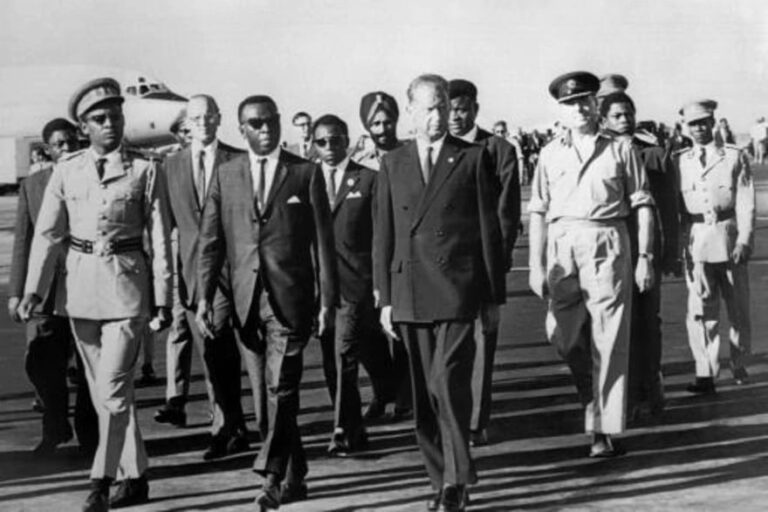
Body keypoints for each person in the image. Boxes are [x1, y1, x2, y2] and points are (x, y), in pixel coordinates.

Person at [18, 78, 173, 511]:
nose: (110, 124)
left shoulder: (146, 169)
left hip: (126, 290)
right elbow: (48, 235)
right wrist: (33, 291)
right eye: (100, 118)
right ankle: (135, 476)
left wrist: (163, 297)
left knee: (114, 390)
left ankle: (100, 482)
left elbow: (161, 238)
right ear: (83, 127)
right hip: (81, 293)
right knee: (106, 393)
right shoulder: (67, 170)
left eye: (116, 116)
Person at [196, 94, 337, 510]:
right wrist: (203, 296)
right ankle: (297, 472)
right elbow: (210, 241)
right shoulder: (226, 175)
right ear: (241, 129)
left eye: (270, 121)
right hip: (245, 300)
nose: (265, 129)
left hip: (290, 301)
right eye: (255, 123)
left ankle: (271, 478)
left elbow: (323, 244)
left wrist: (327, 300)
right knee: (267, 398)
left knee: (282, 387)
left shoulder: (305, 172)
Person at [374, 74, 506, 512]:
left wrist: (493, 297)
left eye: (443, 108)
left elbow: (489, 231)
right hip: (409, 290)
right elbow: (383, 233)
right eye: (428, 108)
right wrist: (384, 298)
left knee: (446, 382)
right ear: (411, 111)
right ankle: (440, 480)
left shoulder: (472, 157)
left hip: (458, 289)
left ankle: (456, 479)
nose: (437, 117)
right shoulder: (393, 162)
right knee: (424, 398)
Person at [528, 71, 655, 458]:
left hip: (608, 241)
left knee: (609, 338)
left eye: (585, 100)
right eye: (570, 103)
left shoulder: (621, 149)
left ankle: (602, 429)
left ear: (596, 104)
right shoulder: (549, 153)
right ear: (560, 110)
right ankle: (592, 397)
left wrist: (645, 257)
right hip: (562, 246)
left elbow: (642, 204)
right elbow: (538, 211)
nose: (579, 108)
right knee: (564, 336)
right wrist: (535, 264)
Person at [158, 94, 252, 459]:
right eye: (195, 118)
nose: (202, 123)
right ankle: (226, 427)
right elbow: (165, 227)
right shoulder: (171, 166)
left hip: (236, 270)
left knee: (242, 353)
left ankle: (239, 426)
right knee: (212, 354)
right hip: (193, 274)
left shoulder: (238, 160)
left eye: (208, 116)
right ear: (187, 123)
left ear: (218, 118)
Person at [8, 118, 98, 456]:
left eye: (72, 142)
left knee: (89, 366)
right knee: (42, 364)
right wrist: (17, 292)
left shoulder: (94, 178)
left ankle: (90, 434)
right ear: (48, 150)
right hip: (45, 293)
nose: (68, 148)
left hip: (87, 288)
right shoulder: (33, 185)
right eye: (60, 144)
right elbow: (24, 240)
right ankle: (55, 428)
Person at [447, 78, 520, 447]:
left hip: (481, 262)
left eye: (462, 109)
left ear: (475, 109)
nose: (454, 117)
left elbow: (507, 213)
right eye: (448, 110)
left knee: (481, 341)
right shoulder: (437, 149)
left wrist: (499, 262)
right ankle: (449, 417)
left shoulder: (498, 149)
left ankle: (475, 422)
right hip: (443, 264)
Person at [313, 113, 390, 456]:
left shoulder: (369, 180)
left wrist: (379, 283)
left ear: (347, 141)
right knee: (332, 358)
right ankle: (360, 419)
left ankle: (343, 428)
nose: (329, 147)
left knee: (344, 353)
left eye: (336, 140)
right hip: (320, 289)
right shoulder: (306, 180)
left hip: (357, 285)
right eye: (322, 141)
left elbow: (380, 236)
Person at [600, 89, 679, 419]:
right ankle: (626, 394)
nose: (624, 120)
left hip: (646, 249)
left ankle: (651, 386)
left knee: (648, 319)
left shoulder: (654, 154)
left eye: (628, 113)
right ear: (604, 120)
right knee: (617, 322)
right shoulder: (600, 153)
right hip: (610, 250)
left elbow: (669, 208)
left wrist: (671, 252)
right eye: (616, 115)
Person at [675, 100, 755, 394]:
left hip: (728, 237)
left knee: (738, 308)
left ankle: (739, 362)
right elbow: (678, 210)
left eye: (703, 122)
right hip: (696, 241)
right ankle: (705, 372)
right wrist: (681, 246)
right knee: (701, 310)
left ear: (713, 122)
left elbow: (745, 201)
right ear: (686, 127)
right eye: (693, 124)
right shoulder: (679, 161)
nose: (698, 128)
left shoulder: (733, 156)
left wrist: (745, 239)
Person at [353, 91, 413, 422]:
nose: (382, 128)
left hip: (399, 253)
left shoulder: (409, 155)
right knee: (367, 333)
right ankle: (383, 390)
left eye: (387, 121)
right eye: (375, 123)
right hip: (363, 258)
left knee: (402, 330)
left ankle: (406, 396)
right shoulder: (359, 161)